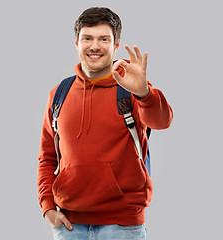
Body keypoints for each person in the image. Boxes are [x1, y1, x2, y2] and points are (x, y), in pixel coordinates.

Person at [37, 7, 173, 240]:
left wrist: (143, 93)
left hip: (122, 226)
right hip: (70, 225)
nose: (95, 46)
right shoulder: (59, 93)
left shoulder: (130, 87)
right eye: (87, 38)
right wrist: (48, 207)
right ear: (76, 42)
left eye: (104, 39)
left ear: (116, 44)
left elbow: (162, 121)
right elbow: (47, 157)